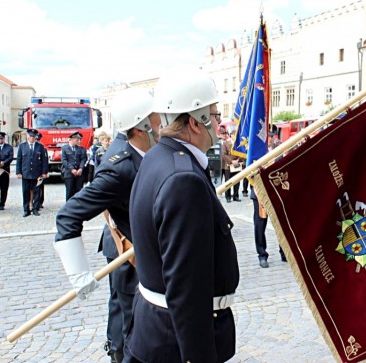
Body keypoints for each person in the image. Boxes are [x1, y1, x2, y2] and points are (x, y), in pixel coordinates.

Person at [124, 71, 239, 363]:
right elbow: (187, 287)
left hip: (157, 329)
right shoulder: (183, 179)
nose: (217, 123)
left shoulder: (156, 158)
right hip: (173, 342)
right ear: (194, 122)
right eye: (213, 115)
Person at [55, 88, 159, 363]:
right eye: (157, 118)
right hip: (127, 254)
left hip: (134, 249)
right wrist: (78, 273)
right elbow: (68, 215)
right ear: (141, 127)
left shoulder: (139, 150)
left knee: (126, 314)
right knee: (129, 322)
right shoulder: (120, 167)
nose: (164, 123)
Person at [16, 129, 48, 217]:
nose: (32, 138)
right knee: (25, 192)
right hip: (26, 173)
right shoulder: (22, 146)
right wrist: (18, 172)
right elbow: (19, 160)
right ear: (27, 137)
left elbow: (44, 161)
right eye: (30, 136)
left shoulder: (40, 147)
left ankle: (35, 209)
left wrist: (44, 172)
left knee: (37, 192)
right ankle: (26, 210)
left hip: (37, 173)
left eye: (33, 137)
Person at [61, 132, 87, 201]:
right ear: (71, 139)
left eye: (79, 140)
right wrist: (72, 169)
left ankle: (78, 207)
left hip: (79, 173)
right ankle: (68, 208)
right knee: (69, 192)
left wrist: (81, 168)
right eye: (77, 140)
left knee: (79, 191)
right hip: (69, 174)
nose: (79, 141)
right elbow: (64, 160)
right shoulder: (64, 148)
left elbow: (83, 159)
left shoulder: (81, 149)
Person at [0, 132, 14, 212]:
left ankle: (2, 204)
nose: (0, 140)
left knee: (4, 188)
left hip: (5, 170)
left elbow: (10, 157)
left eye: (2, 138)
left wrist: (4, 163)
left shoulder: (9, 147)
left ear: (4, 139)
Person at [221, 132, 242, 202]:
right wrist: (231, 161)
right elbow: (223, 155)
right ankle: (228, 197)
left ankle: (236, 196)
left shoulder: (239, 143)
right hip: (228, 166)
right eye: (234, 134)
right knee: (228, 182)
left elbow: (242, 153)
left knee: (237, 181)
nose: (235, 136)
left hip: (237, 165)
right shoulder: (226, 143)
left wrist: (238, 160)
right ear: (231, 135)